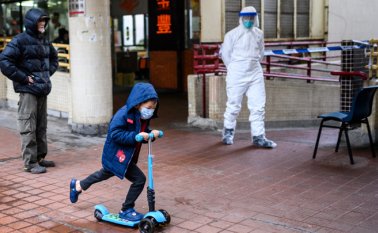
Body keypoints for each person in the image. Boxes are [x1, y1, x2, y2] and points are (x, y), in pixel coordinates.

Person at [69, 83, 161, 222]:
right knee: (138, 179)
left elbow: (141, 133)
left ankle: (78, 185)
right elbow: (115, 133)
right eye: (148, 108)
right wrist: (136, 137)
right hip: (116, 155)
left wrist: (150, 134)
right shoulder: (124, 114)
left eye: (153, 109)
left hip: (126, 157)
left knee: (104, 174)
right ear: (138, 104)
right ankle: (126, 209)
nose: (150, 111)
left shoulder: (142, 117)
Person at [0, 8, 59, 173]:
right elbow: (4, 61)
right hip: (28, 91)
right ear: (32, 22)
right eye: (40, 21)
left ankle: (40, 157)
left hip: (42, 89)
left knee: (41, 126)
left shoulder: (44, 40)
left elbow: (54, 59)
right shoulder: (19, 40)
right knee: (28, 126)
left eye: (44, 21)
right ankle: (30, 163)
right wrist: (24, 78)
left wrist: (46, 75)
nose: (43, 24)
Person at [220, 6, 276, 148]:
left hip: (255, 72)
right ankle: (228, 133)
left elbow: (261, 53)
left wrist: (250, 64)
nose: (249, 20)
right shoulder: (231, 35)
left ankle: (259, 136)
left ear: (255, 18)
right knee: (233, 105)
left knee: (258, 106)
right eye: (246, 18)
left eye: (252, 18)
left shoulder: (259, 33)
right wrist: (234, 69)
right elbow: (226, 55)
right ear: (241, 18)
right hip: (236, 73)